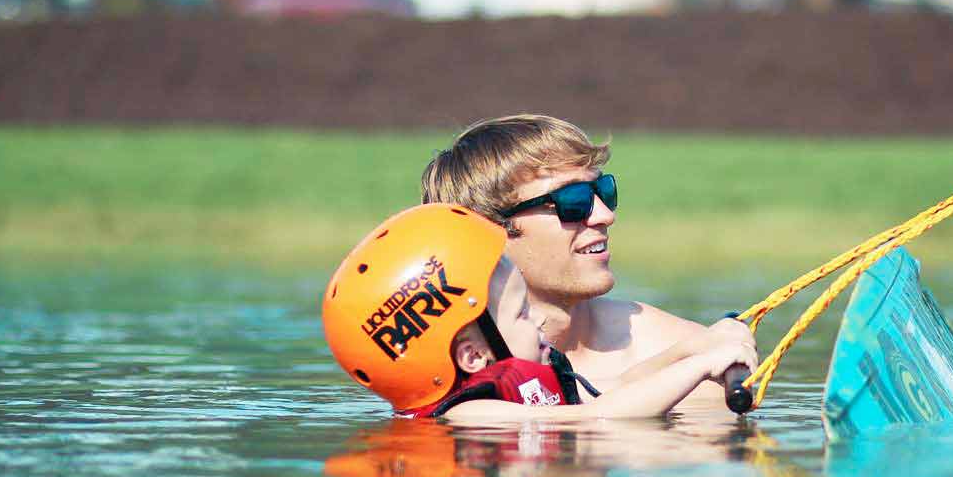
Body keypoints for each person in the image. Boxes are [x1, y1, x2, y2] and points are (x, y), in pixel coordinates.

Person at [419, 114, 756, 410]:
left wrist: (692, 355)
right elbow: (591, 411)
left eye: (603, 192)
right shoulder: (452, 377)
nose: (604, 215)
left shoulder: (669, 344)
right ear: (487, 233)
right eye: (573, 201)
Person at [324, 203, 752, 425]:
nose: (538, 324)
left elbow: (617, 388)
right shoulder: (469, 414)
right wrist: (700, 366)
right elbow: (599, 416)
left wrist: (694, 349)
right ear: (473, 356)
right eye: (522, 315)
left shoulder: (518, 385)